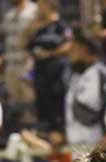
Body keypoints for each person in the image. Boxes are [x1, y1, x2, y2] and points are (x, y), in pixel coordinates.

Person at [62, 30, 106, 148]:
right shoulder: (74, 77)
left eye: (73, 49)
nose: (69, 53)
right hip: (77, 149)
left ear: (84, 50)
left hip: (99, 148)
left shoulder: (101, 74)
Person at [27, 0, 72, 135]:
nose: (38, 8)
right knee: (42, 98)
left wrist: (50, 53)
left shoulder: (61, 25)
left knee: (58, 97)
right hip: (40, 70)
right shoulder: (37, 27)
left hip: (57, 68)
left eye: (40, 5)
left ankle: (61, 127)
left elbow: (69, 44)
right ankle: (47, 127)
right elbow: (25, 44)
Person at [0, 0, 38, 108]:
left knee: (29, 102)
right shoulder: (9, 14)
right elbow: (1, 33)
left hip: (27, 65)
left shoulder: (34, 11)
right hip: (11, 64)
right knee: (14, 104)